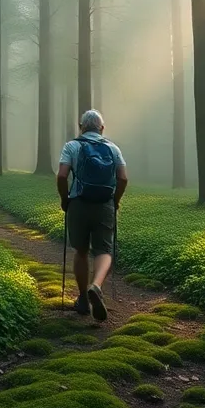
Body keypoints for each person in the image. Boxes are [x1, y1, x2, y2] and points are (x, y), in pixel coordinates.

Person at [57, 109, 128, 322]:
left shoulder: (72, 146)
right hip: (104, 204)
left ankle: (82, 299)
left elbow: (61, 175)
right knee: (104, 250)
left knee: (80, 250)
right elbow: (123, 178)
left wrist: (64, 199)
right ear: (102, 128)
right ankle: (96, 285)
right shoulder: (113, 148)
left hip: (78, 203)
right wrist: (115, 201)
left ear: (81, 127)